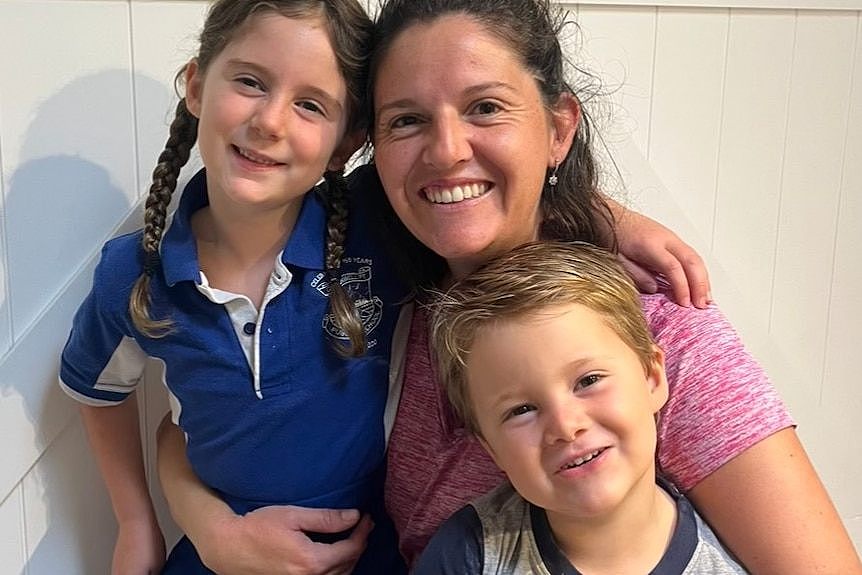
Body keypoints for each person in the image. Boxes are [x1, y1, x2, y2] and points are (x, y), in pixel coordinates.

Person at [156, 0, 862, 573]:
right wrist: (212, 529)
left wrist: (591, 212)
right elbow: (191, 417)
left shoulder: (655, 334)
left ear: (558, 128)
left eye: (486, 107)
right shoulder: (373, 287)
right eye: (407, 119)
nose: (446, 149)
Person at [58, 1, 411, 573]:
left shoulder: (381, 225)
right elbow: (98, 392)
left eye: (310, 105)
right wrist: (134, 519)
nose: (270, 121)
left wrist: (614, 226)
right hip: (217, 555)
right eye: (250, 81)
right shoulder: (134, 275)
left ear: (346, 143)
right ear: (196, 86)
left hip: (367, 549)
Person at [415, 241, 746, 574]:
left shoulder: (731, 557)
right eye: (521, 410)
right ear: (491, 448)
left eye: (588, 381)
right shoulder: (465, 555)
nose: (565, 426)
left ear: (652, 377)